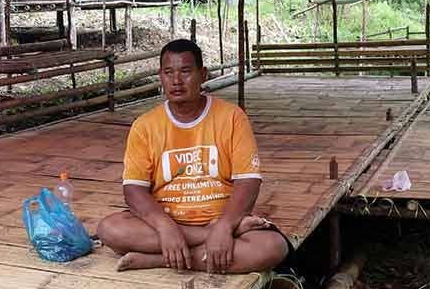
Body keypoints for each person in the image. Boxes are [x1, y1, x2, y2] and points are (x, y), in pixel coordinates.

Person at [97, 39, 290, 273]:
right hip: (166, 221)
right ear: (161, 76)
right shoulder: (145, 125)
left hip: (222, 216)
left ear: (203, 74)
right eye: (169, 72)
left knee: (272, 247)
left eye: (186, 72)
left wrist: (225, 225)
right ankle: (204, 241)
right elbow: (134, 190)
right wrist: (166, 227)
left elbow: (248, 180)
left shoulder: (231, 117)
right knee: (110, 229)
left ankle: (156, 260)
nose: (176, 81)